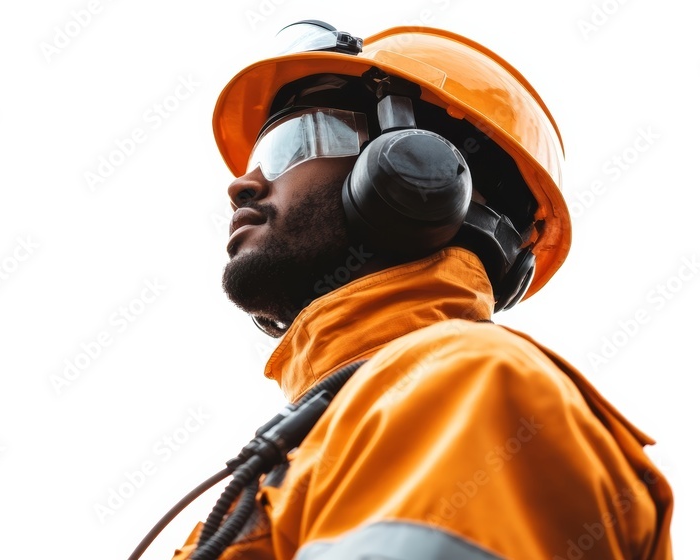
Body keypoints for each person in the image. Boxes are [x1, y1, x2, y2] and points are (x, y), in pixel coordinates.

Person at [171, 22, 674, 559]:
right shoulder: (290, 466)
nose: (241, 185)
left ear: (411, 166)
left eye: (290, 144)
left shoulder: (473, 384)